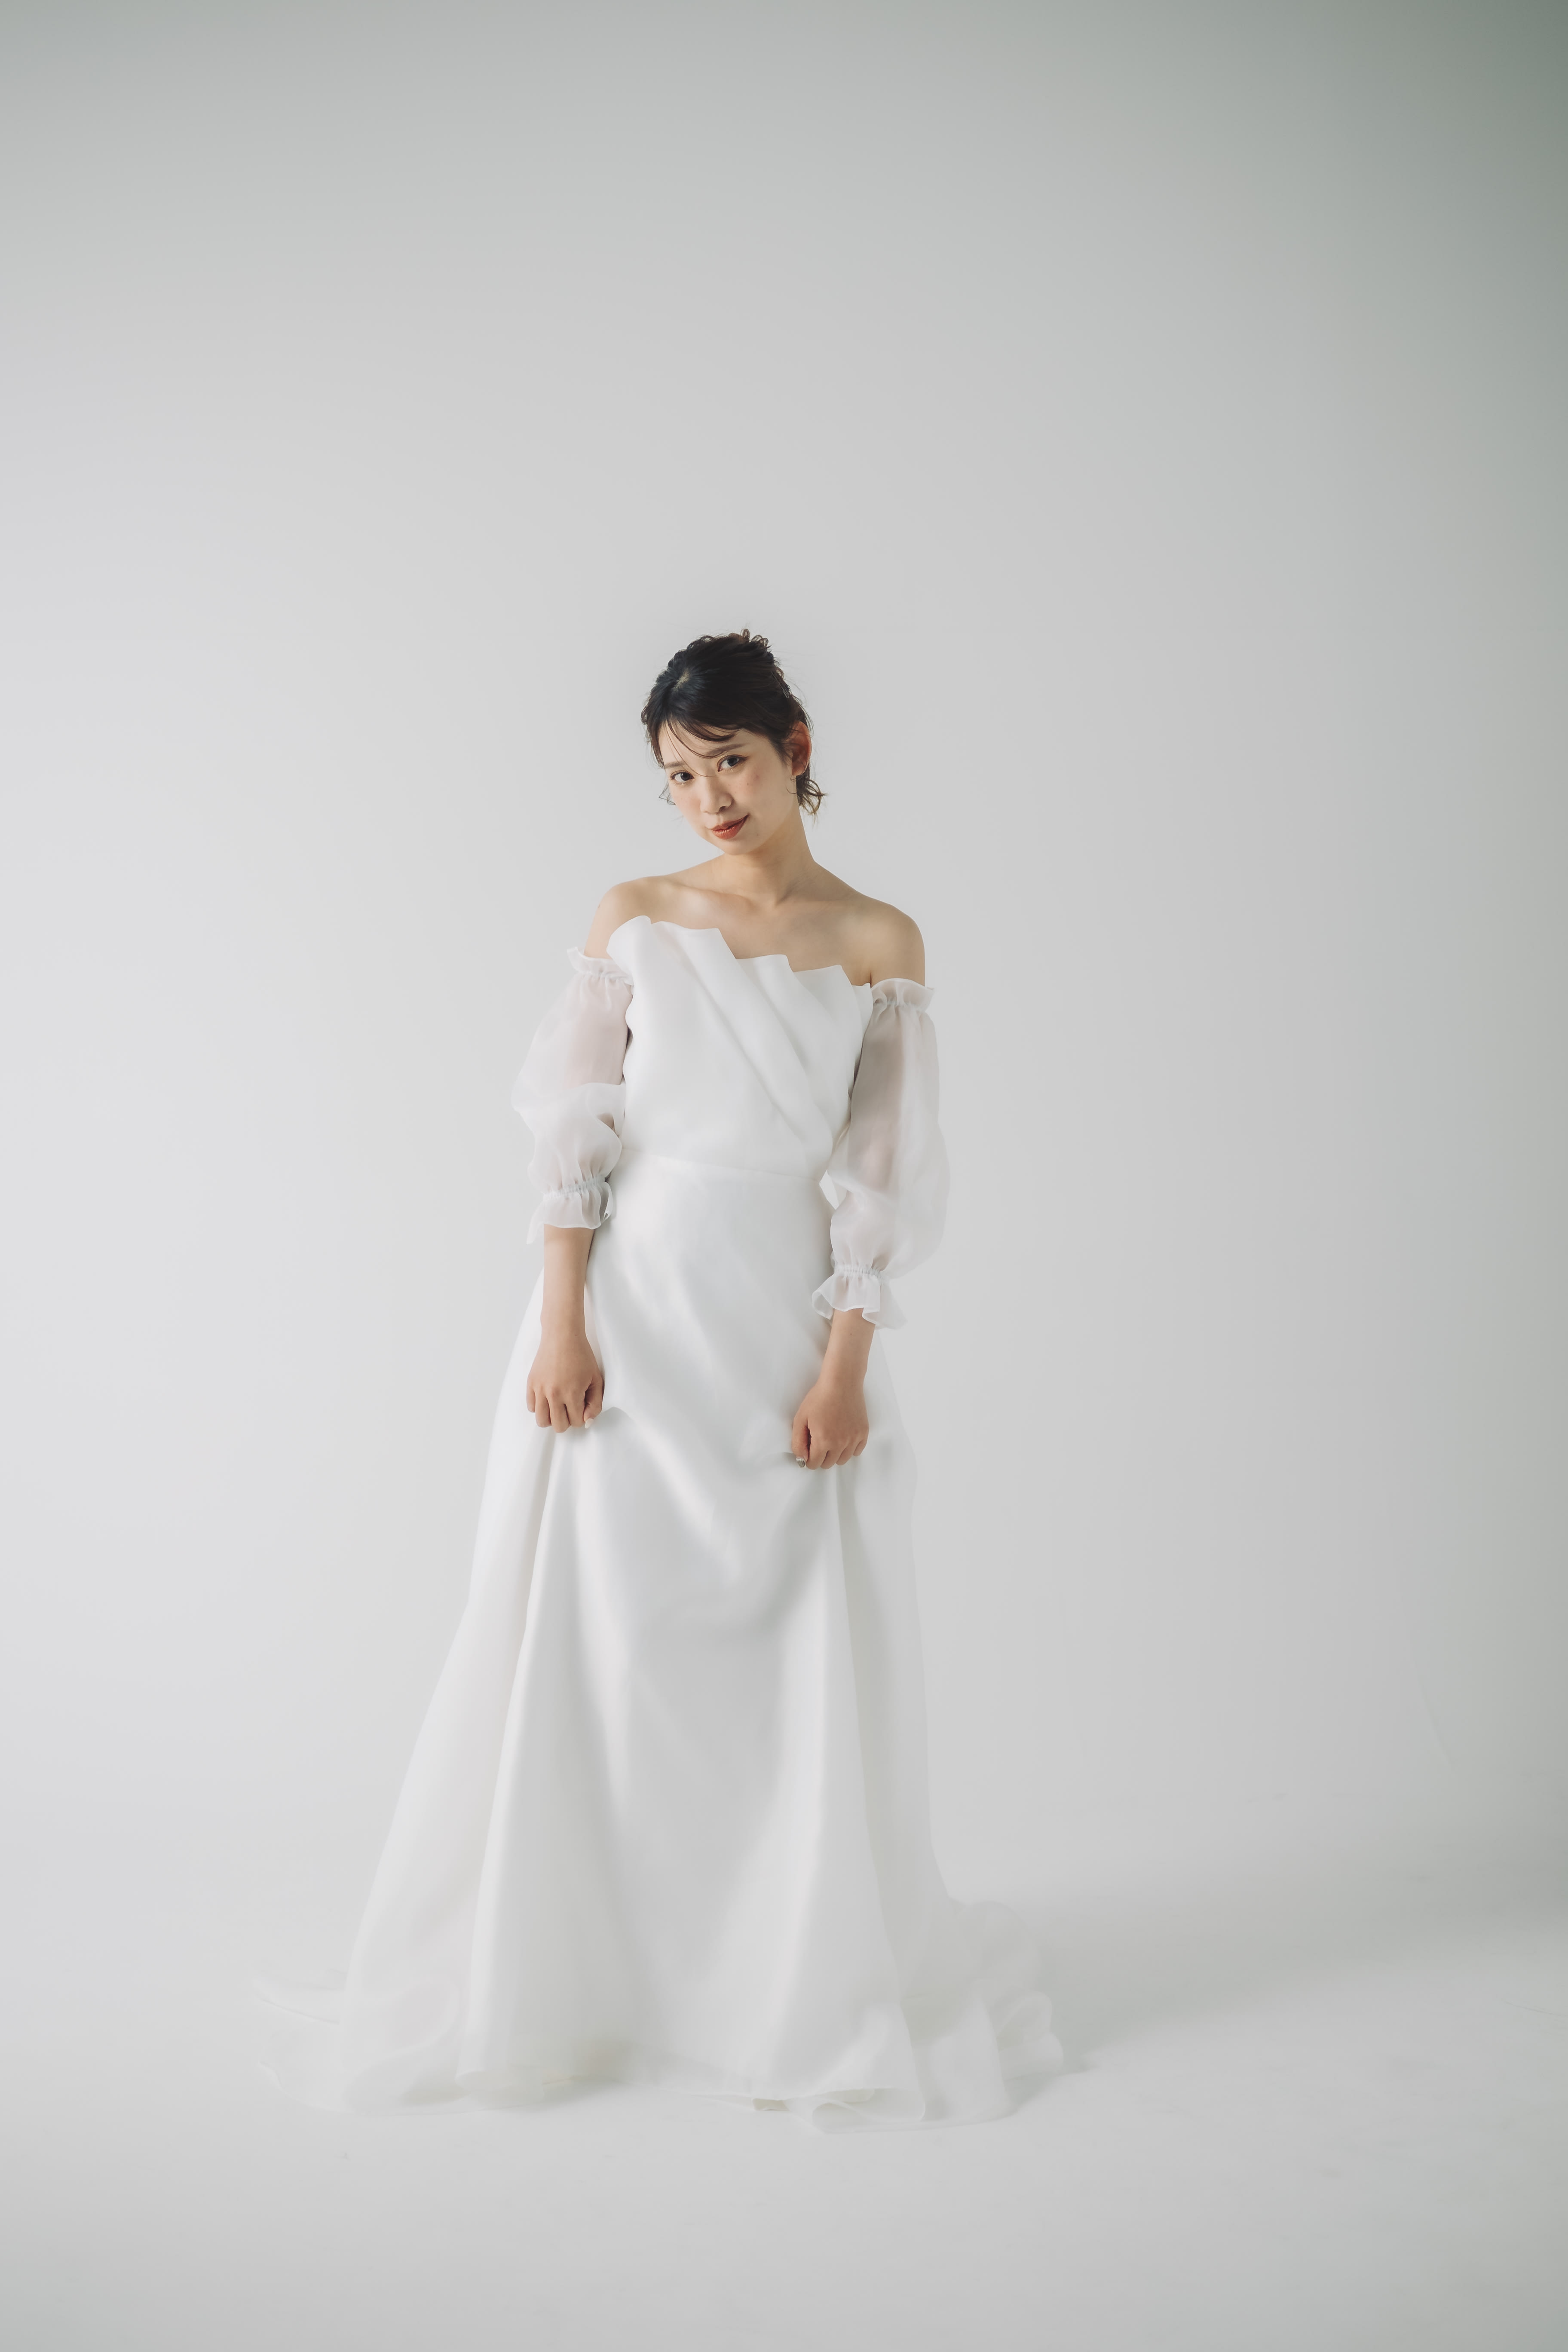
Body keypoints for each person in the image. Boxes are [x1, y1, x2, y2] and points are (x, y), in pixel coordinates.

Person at [264, 631, 1058, 2127]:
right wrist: (563, 1323)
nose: (709, 800)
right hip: (633, 1319)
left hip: (781, 1324)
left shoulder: (881, 941)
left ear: (796, 747)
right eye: (679, 777)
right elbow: (575, 1137)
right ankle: (584, 1976)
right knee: (603, 1643)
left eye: (730, 763)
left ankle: (768, 1982)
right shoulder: (634, 918)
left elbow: (881, 1174)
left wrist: (846, 1367)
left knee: (784, 1662)